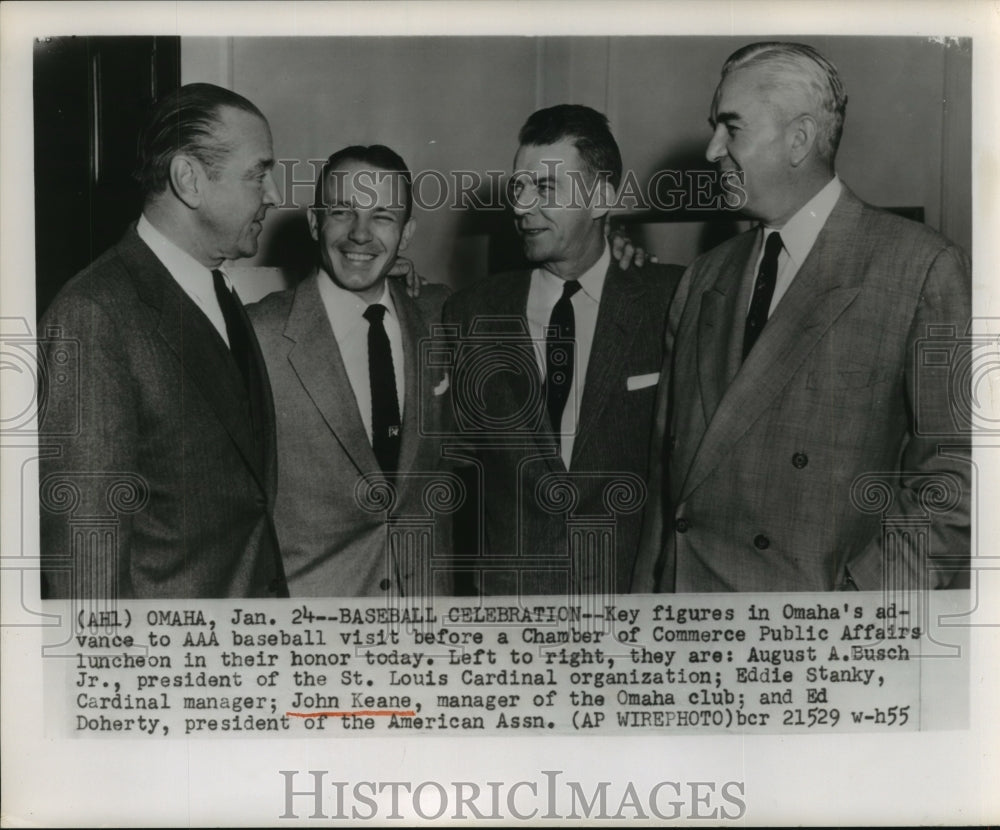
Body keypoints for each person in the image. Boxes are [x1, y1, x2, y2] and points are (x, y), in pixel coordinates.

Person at [632, 42, 971, 593]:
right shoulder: (703, 278)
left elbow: (957, 480)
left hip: (813, 629)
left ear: (799, 139)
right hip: (686, 623)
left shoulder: (921, 267)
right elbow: (662, 489)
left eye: (731, 128)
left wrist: (857, 609)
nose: (713, 150)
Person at [39, 83, 287, 599]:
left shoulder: (215, 288)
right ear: (188, 180)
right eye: (257, 173)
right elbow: (87, 576)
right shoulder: (94, 315)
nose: (274, 194)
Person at [442, 104, 684, 597]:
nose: (521, 206)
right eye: (519, 188)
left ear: (601, 198)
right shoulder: (471, 312)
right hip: (508, 609)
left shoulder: (671, 299)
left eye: (546, 188)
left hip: (631, 603)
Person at [248, 146, 453, 597]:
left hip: (427, 616)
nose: (360, 234)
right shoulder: (257, 335)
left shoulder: (441, 315)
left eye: (383, 217)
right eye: (342, 212)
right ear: (315, 222)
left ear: (406, 233)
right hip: (311, 620)